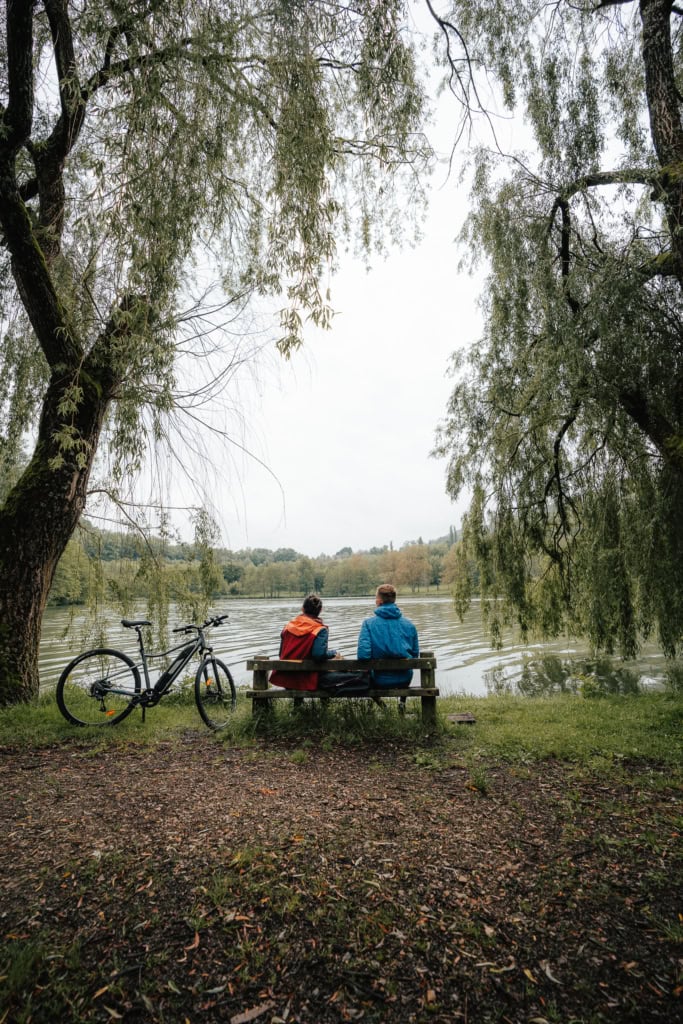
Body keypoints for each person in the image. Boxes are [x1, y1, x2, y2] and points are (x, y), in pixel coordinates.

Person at [269, 594, 341, 692]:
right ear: (320, 610)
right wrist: (333, 653)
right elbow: (318, 656)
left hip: (285, 679)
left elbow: (281, 653)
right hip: (307, 680)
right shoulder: (320, 630)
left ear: (302, 609)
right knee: (336, 662)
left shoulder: (287, 627)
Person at [357, 583, 419, 687]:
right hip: (405, 679)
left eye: (376, 598)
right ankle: (402, 703)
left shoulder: (368, 624)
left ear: (379, 601)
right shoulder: (410, 625)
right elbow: (415, 655)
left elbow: (363, 656)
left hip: (378, 679)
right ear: (394, 600)